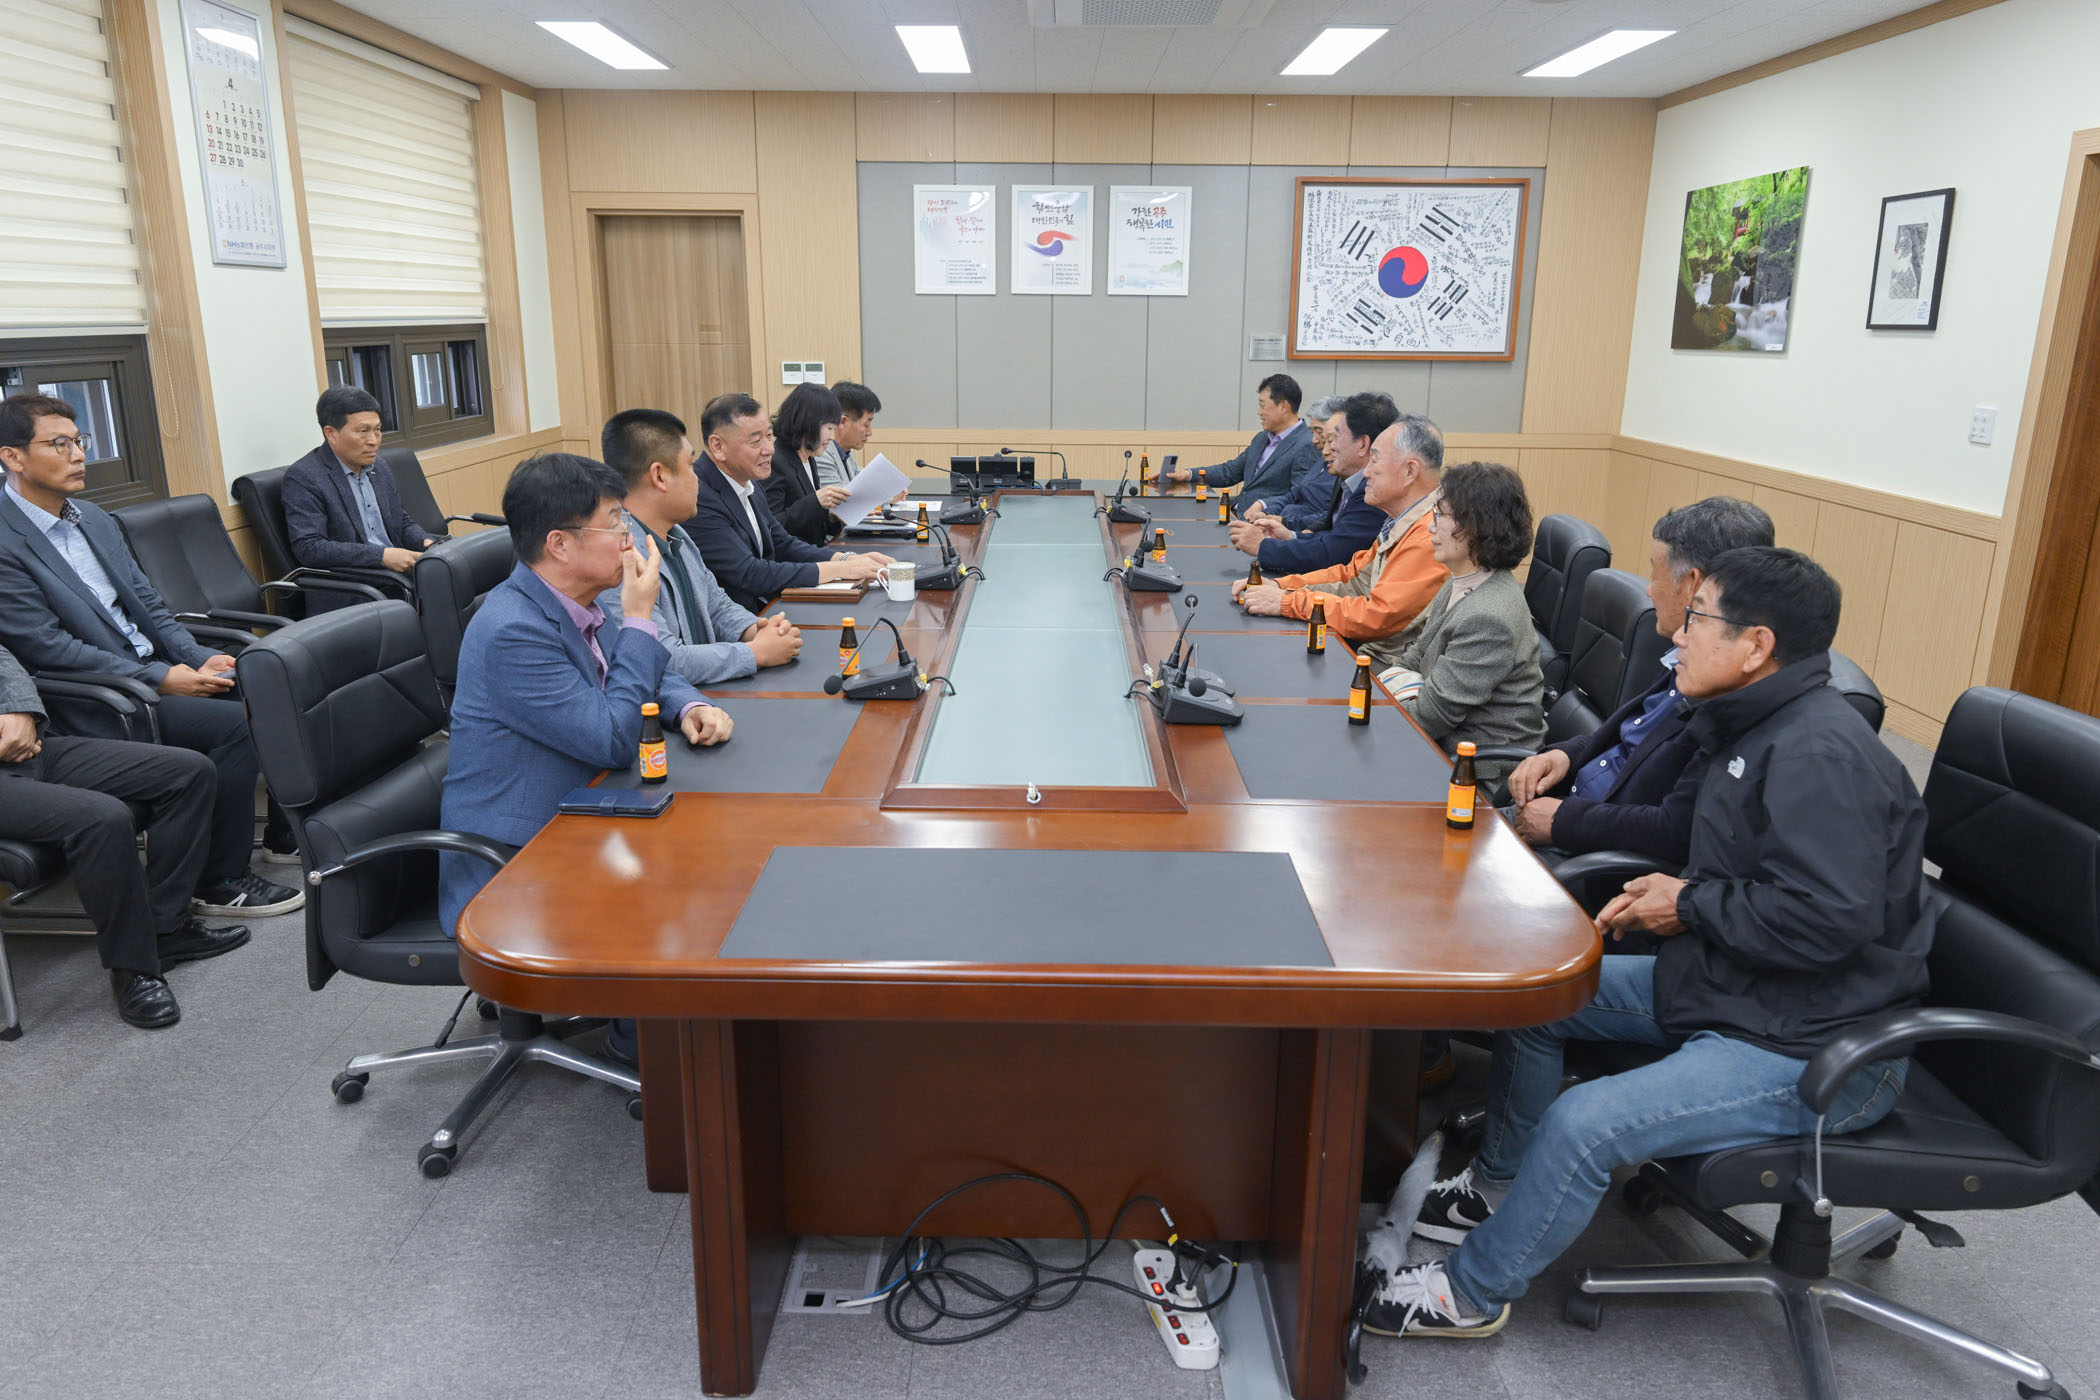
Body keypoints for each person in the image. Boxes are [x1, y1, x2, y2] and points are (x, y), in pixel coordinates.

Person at [1373, 547, 1922, 1341]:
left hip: (1823, 1042)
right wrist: (1682, 896)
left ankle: (1469, 1293)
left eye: (1698, 619)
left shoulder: (1819, 756)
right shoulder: (1751, 722)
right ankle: (1496, 1186)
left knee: (1585, 1121)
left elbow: (1829, 919)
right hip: (1744, 985)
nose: (1680, 636)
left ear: (1756, 645)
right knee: (1541, 997)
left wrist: (1689, 904)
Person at [0, 393, 303, 917]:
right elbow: (46, 647)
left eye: (80, 441)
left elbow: (151, 606)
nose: (79, 455)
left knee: (272, 684)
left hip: (151, 671)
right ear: (13, 457)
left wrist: (197, 657)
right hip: (96, 696)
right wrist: (160, 677)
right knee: (236, 726)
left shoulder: (94, 519)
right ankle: (219, 879)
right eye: (60, 444)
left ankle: (283, 834)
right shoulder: (6, 540)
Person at [1506, 497, 1776, 867]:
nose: (1648, 591)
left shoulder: (1719, 685)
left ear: (1693, 584)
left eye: (1655, 573)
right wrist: (1564, 755)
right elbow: (1633, 736)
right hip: (1564, 811)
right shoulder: (1684, 653)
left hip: (1585, 856)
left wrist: (1564, 821)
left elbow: (1675, 831)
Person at [0, 641, 249, 1028]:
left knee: (190, 772)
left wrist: (21, 710)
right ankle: (134, 968)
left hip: (30, 750)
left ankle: (165, 929)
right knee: (104, 817)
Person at [599, 408, 802, 689]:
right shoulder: (621, 555)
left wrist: (757, 629)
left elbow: (716, 605)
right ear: (659, 476)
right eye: (691, 465)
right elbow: (662, 660)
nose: (698, 478)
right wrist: (754, 653)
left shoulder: (677, 533)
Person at [1234, 412, 1445, 670]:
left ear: (1410, 471)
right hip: (1371, 650)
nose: (1366, 472)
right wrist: (1281, 586)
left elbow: (1377, 617)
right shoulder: (1403, 521)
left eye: (1375, 460)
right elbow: (1351, 576)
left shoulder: (1430, 533)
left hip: (1387, 665)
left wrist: (1287, 602)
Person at [1376, 462, 1544, 776]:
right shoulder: (1463, 578)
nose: (1430, 527)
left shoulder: (1489, 617)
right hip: (1442, 744)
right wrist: (1378, 694)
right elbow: (1417, 655)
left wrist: (1370, 714)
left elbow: (1430, 717)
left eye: (1440, 515)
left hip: (1474, 770)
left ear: (1477, 525)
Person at [688, 393, 891, 614]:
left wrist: (847, 559)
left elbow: (783, 543)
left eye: (768, 436)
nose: (769, 449)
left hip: (770, 605)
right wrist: (839, 569)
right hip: (740, 620)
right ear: (718, 446)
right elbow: (749, 573)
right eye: (755, 441)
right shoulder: (699, 494)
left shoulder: (749, 482)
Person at [282, 386, 438, 581]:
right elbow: (310, 548)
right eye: (363, 431)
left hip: (397, 576)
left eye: (377, 430)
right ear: (331, 433)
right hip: (355, 585)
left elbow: (400, 521)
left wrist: (426, 543)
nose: (373, 440)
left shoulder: (379, 466)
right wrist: (381, 556)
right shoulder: (304, 477)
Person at [1230, 391, 1394, 576]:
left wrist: (1262, 546)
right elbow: (1331, 536)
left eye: (1335, 438)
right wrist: (1290, 536)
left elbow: (1333, 554)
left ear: (1363, 444)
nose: (1328, 448)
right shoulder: (1348, 480)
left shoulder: (1372, 493)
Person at [1166, 373, 1326, 517]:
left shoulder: (1307, 443)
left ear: (1283, 407)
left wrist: (1263, 505)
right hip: (1234, 512)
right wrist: (1188, 474)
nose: (1259, 412)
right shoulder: (1261, 438)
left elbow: (1299, 495)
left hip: (1260, 522)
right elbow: (1230, 472)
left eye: (1263, 405)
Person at [765, 383, 851, 547]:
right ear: (809, 423)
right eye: (829, 428)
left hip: (815, 550)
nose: (832, 437)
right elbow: (772, 526)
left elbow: (811, 520)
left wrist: (833, 516)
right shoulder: (776, 462)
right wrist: (816, 502)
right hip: (792, 557)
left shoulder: (809, 457)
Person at [813, 381, 880, 487]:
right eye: (866, 425)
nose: (869, 433)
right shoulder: (821, 453)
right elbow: (838, 496)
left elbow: (859, 477)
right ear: (843, 422)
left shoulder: (845, 450)